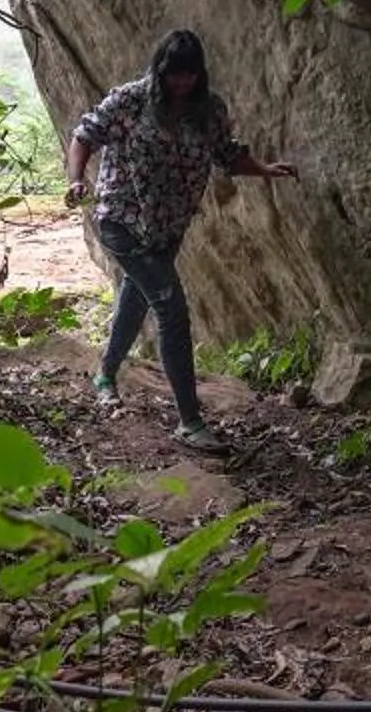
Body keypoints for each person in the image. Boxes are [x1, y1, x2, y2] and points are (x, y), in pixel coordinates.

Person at [63, 28, 298, 450]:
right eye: (174, 75)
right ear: (160, 70)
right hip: (121, 220)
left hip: (168, 226)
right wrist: (77, 179)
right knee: (171, 309)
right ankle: (190, 422)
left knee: (135, 300)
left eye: (189, 76)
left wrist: (266, 169)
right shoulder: (130, 100)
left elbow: (227, 154)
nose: (181, 83)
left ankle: (105, 374)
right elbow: (85, 135)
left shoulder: (208, 110)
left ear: (199, 75)